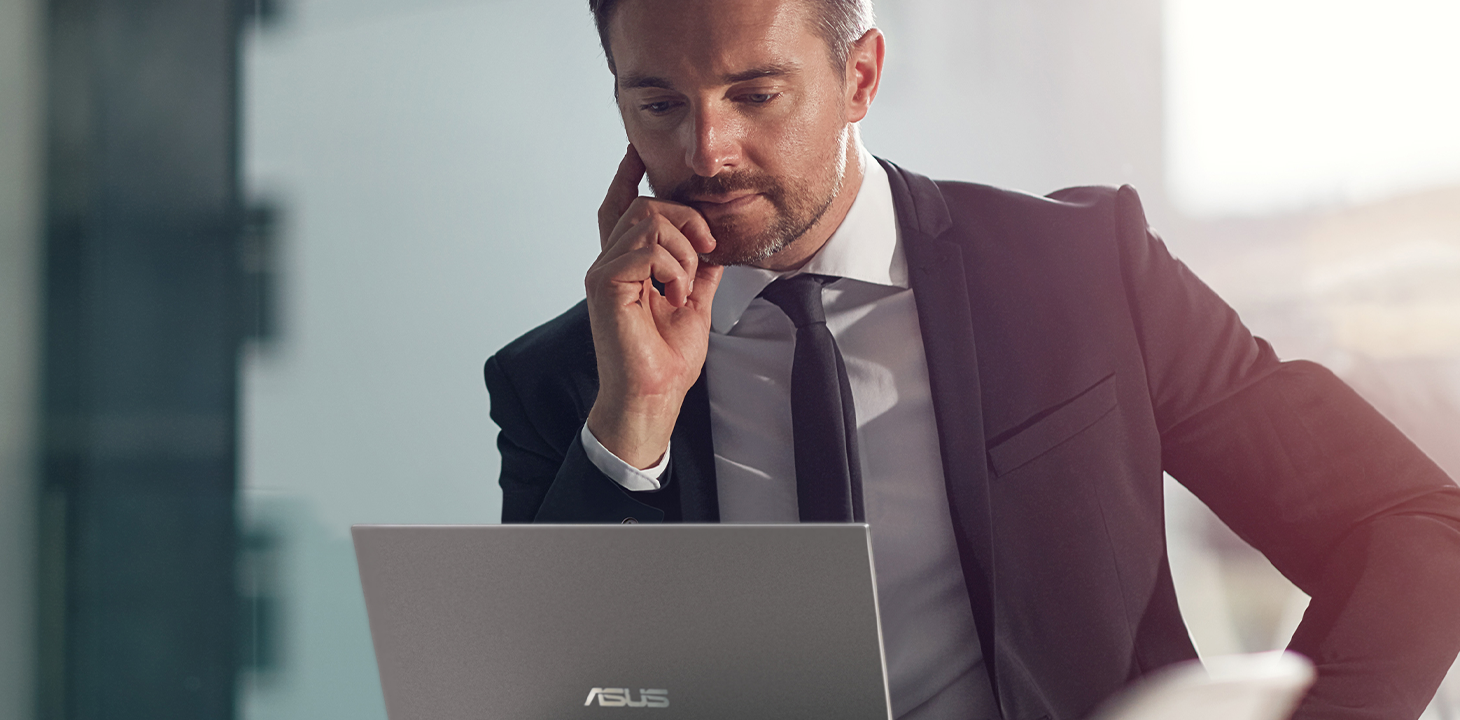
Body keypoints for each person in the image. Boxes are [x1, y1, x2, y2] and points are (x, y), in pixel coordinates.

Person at [482, 0, 1460, 718]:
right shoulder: (562, 384)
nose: (706, 150)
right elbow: (541, 696)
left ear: (860, 74)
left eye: (754, 93)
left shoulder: (1077, 273)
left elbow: (1411, 523)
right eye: (656, 104)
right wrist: (634, 418)